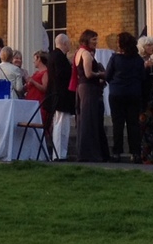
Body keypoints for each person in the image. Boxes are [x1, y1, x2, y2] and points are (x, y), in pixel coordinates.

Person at [106, 33, 146, 161]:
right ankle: (135, 152)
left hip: (117, 93)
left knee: (118, 124)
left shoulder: (115, 59)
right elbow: (143, 78)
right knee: (133, 124)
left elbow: (107, 76)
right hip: (133, 93)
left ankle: (117, 152)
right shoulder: (138, 60)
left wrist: (115, 82)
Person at [74, 30, 107, 162]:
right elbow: (88, 74)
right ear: (87, 39)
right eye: (93, 39)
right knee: (90, 121)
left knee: (86, 120)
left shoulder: (79, 52)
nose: (96, 42)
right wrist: (101, 74)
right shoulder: (86, 54)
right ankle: (89, 154)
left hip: (82, 88)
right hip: (88, 88)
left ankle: (87, 153)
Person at [46, 34, 75, 160]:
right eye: (68, 43)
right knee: (60, 124)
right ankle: (58, 153)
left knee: (63, 124)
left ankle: (61, 153)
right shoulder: (58, 57)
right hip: (60, 96)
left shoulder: (55, 56)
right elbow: (61, 75)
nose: (70, 45)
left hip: (60, 96)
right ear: (63, 43)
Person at [136, 36, 153, 164]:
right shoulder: (139, 61)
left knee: (152, 127)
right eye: (149, 45)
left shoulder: (152, 61)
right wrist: (145, 67)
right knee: (143, 126)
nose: (152, 47)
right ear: (142, 48)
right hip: (142, 97)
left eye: (152, 45)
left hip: (151, 97)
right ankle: (142, 155)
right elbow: (137, 79)